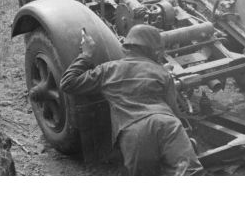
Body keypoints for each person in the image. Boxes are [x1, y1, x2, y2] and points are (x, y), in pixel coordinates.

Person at [59, 24, 203, 176]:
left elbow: (68, 83)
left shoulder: (108, 70)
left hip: (134, 130)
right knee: (190, 173)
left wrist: (86, 55)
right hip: (168, 124)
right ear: (153, 50)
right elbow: (174, 111)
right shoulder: (161, 72)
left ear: (127, 47)